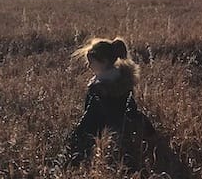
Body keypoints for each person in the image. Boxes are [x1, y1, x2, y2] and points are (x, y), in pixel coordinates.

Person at [65, 37, 156, 169]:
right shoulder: (124, 82)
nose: (89, 66)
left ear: (104, 62)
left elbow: (90, 117)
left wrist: (75, 138)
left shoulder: (98, 89)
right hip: (125, 137)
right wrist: (149, 132)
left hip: (103, 138)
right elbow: (133, 111)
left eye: (91, 62)